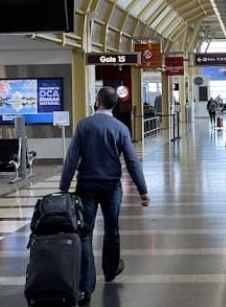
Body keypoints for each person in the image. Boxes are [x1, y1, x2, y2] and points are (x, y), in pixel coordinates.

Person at [59, 87, 150, 304]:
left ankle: (86, 284)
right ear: (114, 104)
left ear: (98, 101)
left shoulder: (84, 125)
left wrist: (63, 190)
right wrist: (142, 190)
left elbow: (71, 159)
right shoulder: (120, 128)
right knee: (112, 229)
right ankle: (110, 270)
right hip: (111, 186)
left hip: (86, 186)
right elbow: (131, 160)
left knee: (85, 233)